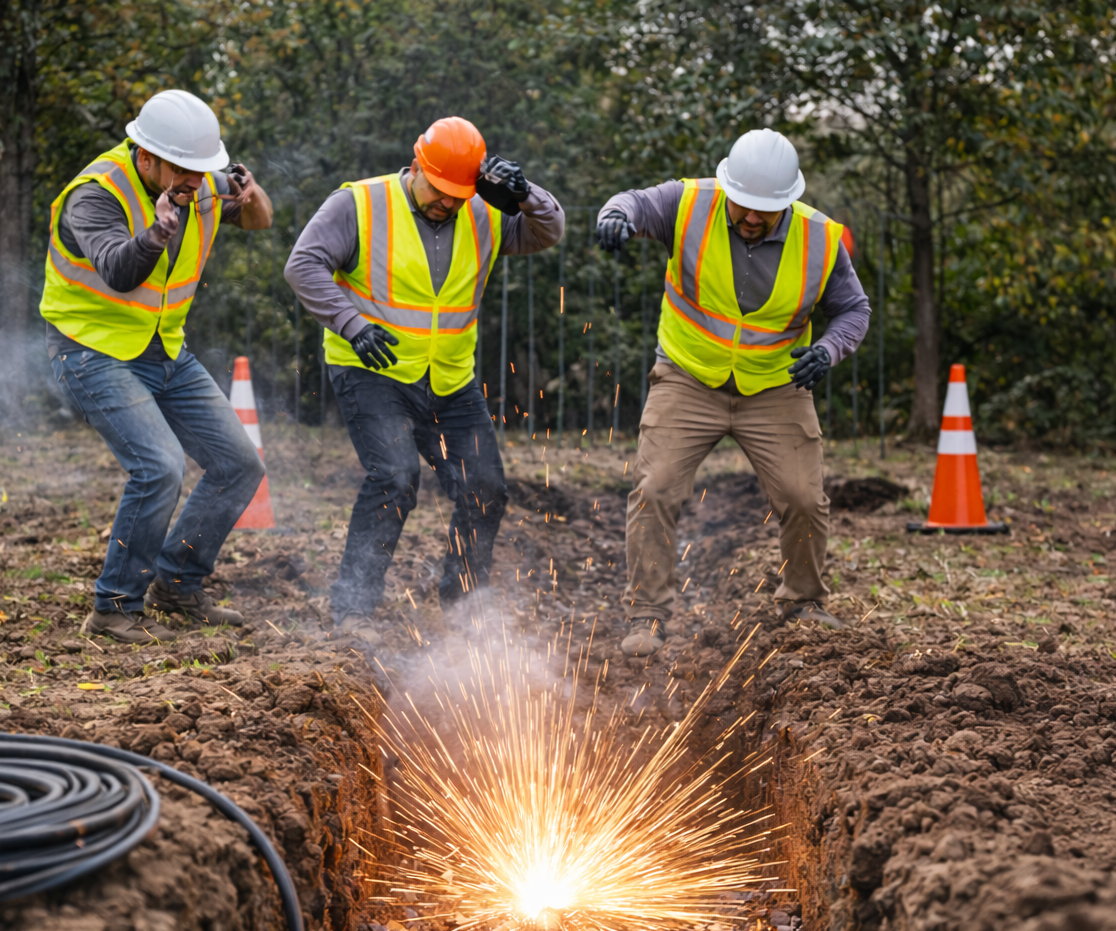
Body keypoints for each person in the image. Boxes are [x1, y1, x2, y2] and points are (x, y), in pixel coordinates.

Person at [285, 117, 564, 644]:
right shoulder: (359, 204)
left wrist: (527, 195)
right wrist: (351, 323)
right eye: (440, 191)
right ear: (416, 166)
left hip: (450, 380)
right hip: (371, 370)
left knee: (486, 489)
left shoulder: (484, 211)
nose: (449, 204)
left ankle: (463, 609)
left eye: (460, 194)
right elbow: (303, 266)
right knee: (394, 476)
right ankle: (354, 610)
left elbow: (548, 232)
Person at [597, 129, 870, 657]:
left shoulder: (820, 238)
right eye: (743, 204)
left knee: (803, 497)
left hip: (775, 385)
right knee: (655, 490)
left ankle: (803, 604)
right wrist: (616, 217)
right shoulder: (689, 203)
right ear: (728, 188)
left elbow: (854, 310)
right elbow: (633, 203)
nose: (750, 216)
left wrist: (830, 350)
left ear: (788, 202)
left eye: (764, 210)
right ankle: (647, 615)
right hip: (687, 375)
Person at [40, 89, 273, 644]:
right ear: (146, 157)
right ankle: (113, 607)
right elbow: (120, 271)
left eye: (204, 171)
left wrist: (250, 192)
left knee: (240, 465)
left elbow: (259, 221)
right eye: (184, 171)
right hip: (91, 349)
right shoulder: (94, 195)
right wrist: (156, 234)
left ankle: (177, 584)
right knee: (160, 466)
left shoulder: (199, 180)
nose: (197, 183)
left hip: (163, 347)